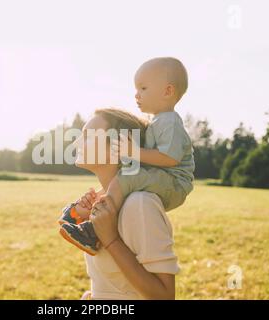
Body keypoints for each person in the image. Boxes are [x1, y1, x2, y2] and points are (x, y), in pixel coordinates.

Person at [59, 57, 195, 255]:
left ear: (168, 91)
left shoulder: (170, 122)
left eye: (143, 88)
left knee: (130, 177)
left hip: (174, 182)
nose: (136, 95)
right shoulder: (158, 123)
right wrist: (79, 211)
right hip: (163, 178)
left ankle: (93, 229)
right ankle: (83, 219)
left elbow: (170, 159)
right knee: (126, 179)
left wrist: (134, 152)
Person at [59, 109, 180, 299]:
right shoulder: (105, 203)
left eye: (87, 136)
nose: (76, 142)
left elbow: (164, 296)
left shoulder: (140, 204)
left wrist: (111, 240)